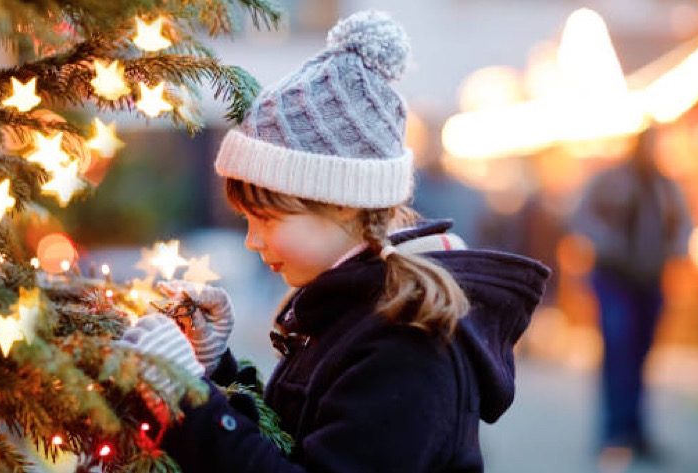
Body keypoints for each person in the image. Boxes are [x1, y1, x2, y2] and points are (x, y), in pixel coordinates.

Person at [117, 10, 550, 472]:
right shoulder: (346, 309)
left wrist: (187, 398)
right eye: (245, 220)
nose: (252, 241)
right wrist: (217, 370)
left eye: (265, 217)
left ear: (341, 201)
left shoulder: (406, 346)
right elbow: (293, 442)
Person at [572, 127, 692, 458]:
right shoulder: (609, 181)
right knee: (618, 349)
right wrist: (609, 246)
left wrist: (674, 250)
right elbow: (581, 218)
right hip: (614, 277)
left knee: (641, 355)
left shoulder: (666, 186)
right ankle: (614, 432)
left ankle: (636, 430)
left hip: (650, 279)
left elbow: (683, 225)